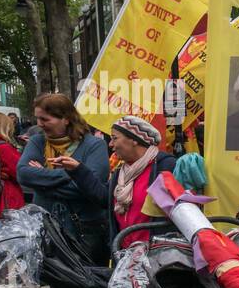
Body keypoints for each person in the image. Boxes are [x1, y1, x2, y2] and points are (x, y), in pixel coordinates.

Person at [16, 92, 110, 264]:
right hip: (45, 228)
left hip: (85, 231)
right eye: (38, 118)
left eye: (45, 119)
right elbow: (23, 174)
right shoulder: (37, 142)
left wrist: (42, 181)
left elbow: (92, 186)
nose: (39, 124)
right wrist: (74, 173)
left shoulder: (95, 145)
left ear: (66, 119)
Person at [61, 115, 175, 251]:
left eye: (115, 138)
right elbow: (104, 198)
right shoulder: (121, 172)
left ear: (134, 139)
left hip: (156, 256)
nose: (110, 144)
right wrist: (78, 170)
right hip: (125, 254)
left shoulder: (165, 166)